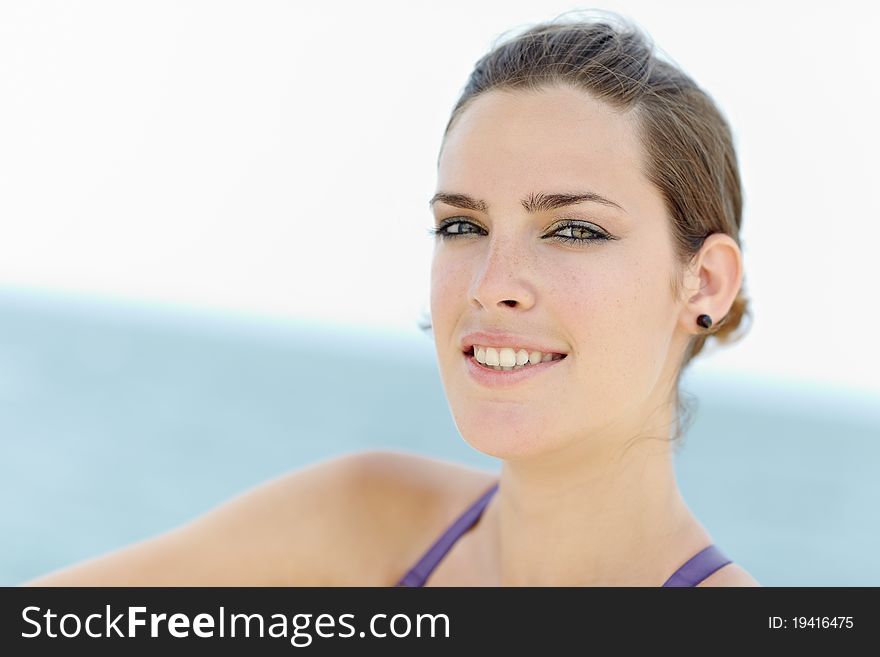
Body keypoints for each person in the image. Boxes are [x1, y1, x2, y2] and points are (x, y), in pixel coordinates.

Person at [25, 11, 759, 587]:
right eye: (463, 225)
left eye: (572, 228)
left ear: (705, 282)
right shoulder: (357, 521)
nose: (490, 283)